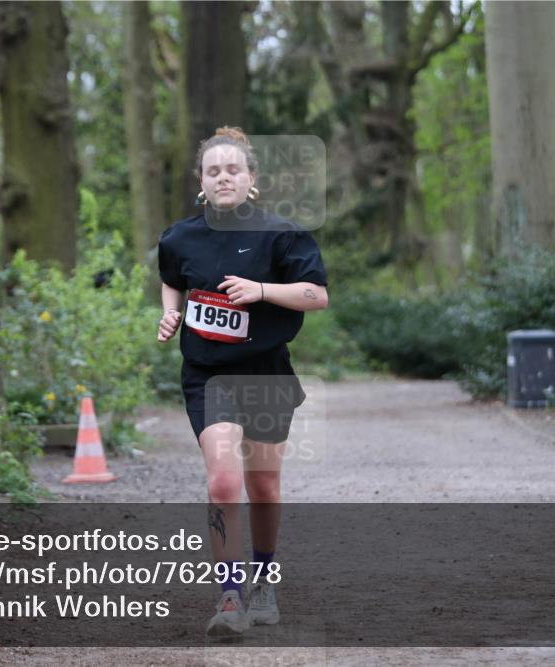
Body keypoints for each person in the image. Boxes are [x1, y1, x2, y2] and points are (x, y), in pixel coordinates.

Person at [156, 126, 329, 637]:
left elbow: (315, 296)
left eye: (233, 169)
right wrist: (170, 315)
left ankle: (264, 578)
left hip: (265, 372)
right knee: (224, 481)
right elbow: (171, 278)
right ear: (201, 181)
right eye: (214, 170)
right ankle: (230, 596)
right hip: (208, 376)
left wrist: (260, 290)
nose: (223, 177)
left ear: (251, 179)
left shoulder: (283, 234)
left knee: (264, 485)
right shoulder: (179, 237)